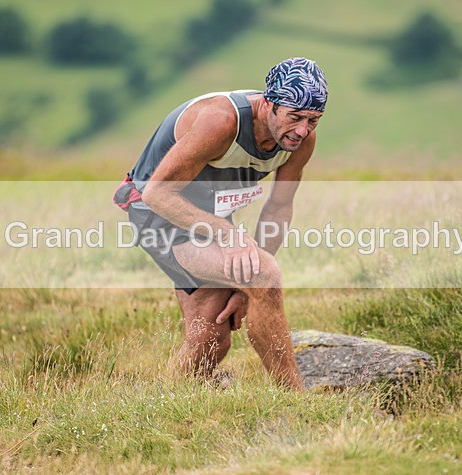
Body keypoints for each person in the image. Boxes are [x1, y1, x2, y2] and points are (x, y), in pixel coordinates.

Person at [114, 57, 328, 390]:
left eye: (314, 120)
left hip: (208, 214)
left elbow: (279, 206)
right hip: (159, 212)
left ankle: (163, 402)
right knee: (264, 274)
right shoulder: (220, 121)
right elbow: (157, 193)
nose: (303, 130)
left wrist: (247, 291)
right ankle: (295, 399)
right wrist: (232, 241)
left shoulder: (300, 142)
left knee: (212, 338)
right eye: (296, 117)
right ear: (268, 104)